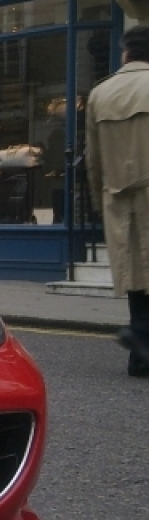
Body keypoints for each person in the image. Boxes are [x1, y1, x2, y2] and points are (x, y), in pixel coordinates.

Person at [85, 25, 149, 378]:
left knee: (136, 279)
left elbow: (92, 160)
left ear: (126, 54)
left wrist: (100, 201)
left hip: (119, 198)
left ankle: (139, 351)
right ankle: (141, 340)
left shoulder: (100, 94)